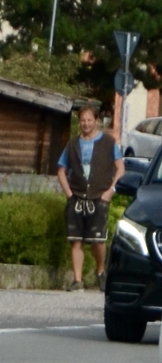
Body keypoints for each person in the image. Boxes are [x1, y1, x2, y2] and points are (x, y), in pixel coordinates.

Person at [56, 104, 119, 291]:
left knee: (98, 241)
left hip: (99, 197)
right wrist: (68, 194)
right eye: (83, 120)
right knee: (76, 240)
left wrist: (111, 190)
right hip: (76, 196)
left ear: (96, 121)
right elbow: (61, 170)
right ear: (79, 122)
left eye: (89, 120)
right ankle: (77, 280)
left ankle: (100, 272)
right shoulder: (72, 144)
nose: (86, 123)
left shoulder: (108, 142)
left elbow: (120, 168)